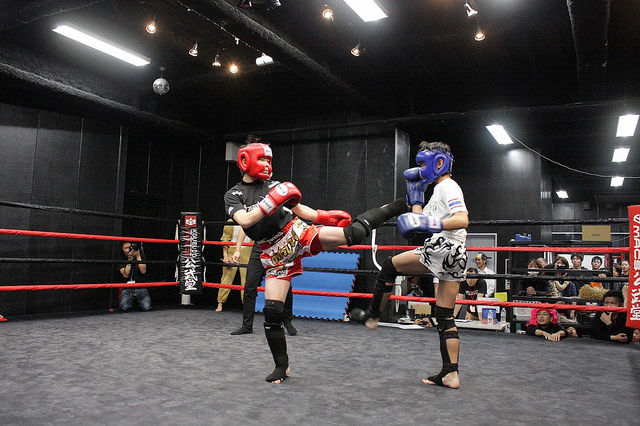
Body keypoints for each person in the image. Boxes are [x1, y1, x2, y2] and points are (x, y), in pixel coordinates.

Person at [224, 138, 407, 383]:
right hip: (273, 253)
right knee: (272, 312)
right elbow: (245, 221)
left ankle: (399, 204)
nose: (267, 164)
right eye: (262, 160)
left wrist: (324, 216)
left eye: (269, 160)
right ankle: (282, 367)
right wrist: (271, 201)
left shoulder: (275, 185)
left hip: (296, 233)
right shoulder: (233, 194)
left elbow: (301, 210)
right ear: (246, 162)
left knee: (353, 234)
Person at [352, 141, 468, 389]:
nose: (421, 169)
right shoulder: (438, 190)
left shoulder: (448, 187)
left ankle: (373, 315)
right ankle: (451, 373)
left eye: (424, 164)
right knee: (444, 315)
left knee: (390, 266)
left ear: (439, 163)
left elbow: (462, 219)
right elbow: (419, 222)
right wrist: (416, 197)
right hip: (457, 253)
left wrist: (433, 224)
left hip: (443, 246)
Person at [230, 244, 297, 336]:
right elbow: (243, 233)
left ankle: (287, 322)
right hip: (259, 249)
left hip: (277, 249)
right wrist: (237, 249)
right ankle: (247, 325)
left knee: (285, 286)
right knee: (249, 286)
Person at [216, 219, 252, 312]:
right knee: (227, 277)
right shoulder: (231, 221)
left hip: (248, 250)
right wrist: (225, 256)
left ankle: (246, 305)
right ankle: (220, 302)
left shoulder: (252, 219)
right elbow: (225, 239)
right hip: (232, 250)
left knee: (247, 280)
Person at [118, 241, 151, 311]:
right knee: (124, 307)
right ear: (122, 249)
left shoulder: (140, 256)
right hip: (127, 288)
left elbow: (143, 271)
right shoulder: (121, 258)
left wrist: (138, 256)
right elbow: (126, 275)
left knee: (146, 307)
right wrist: (129, 261)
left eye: (129, 247)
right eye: (125, 248)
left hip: (141, 286)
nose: (128, 250)